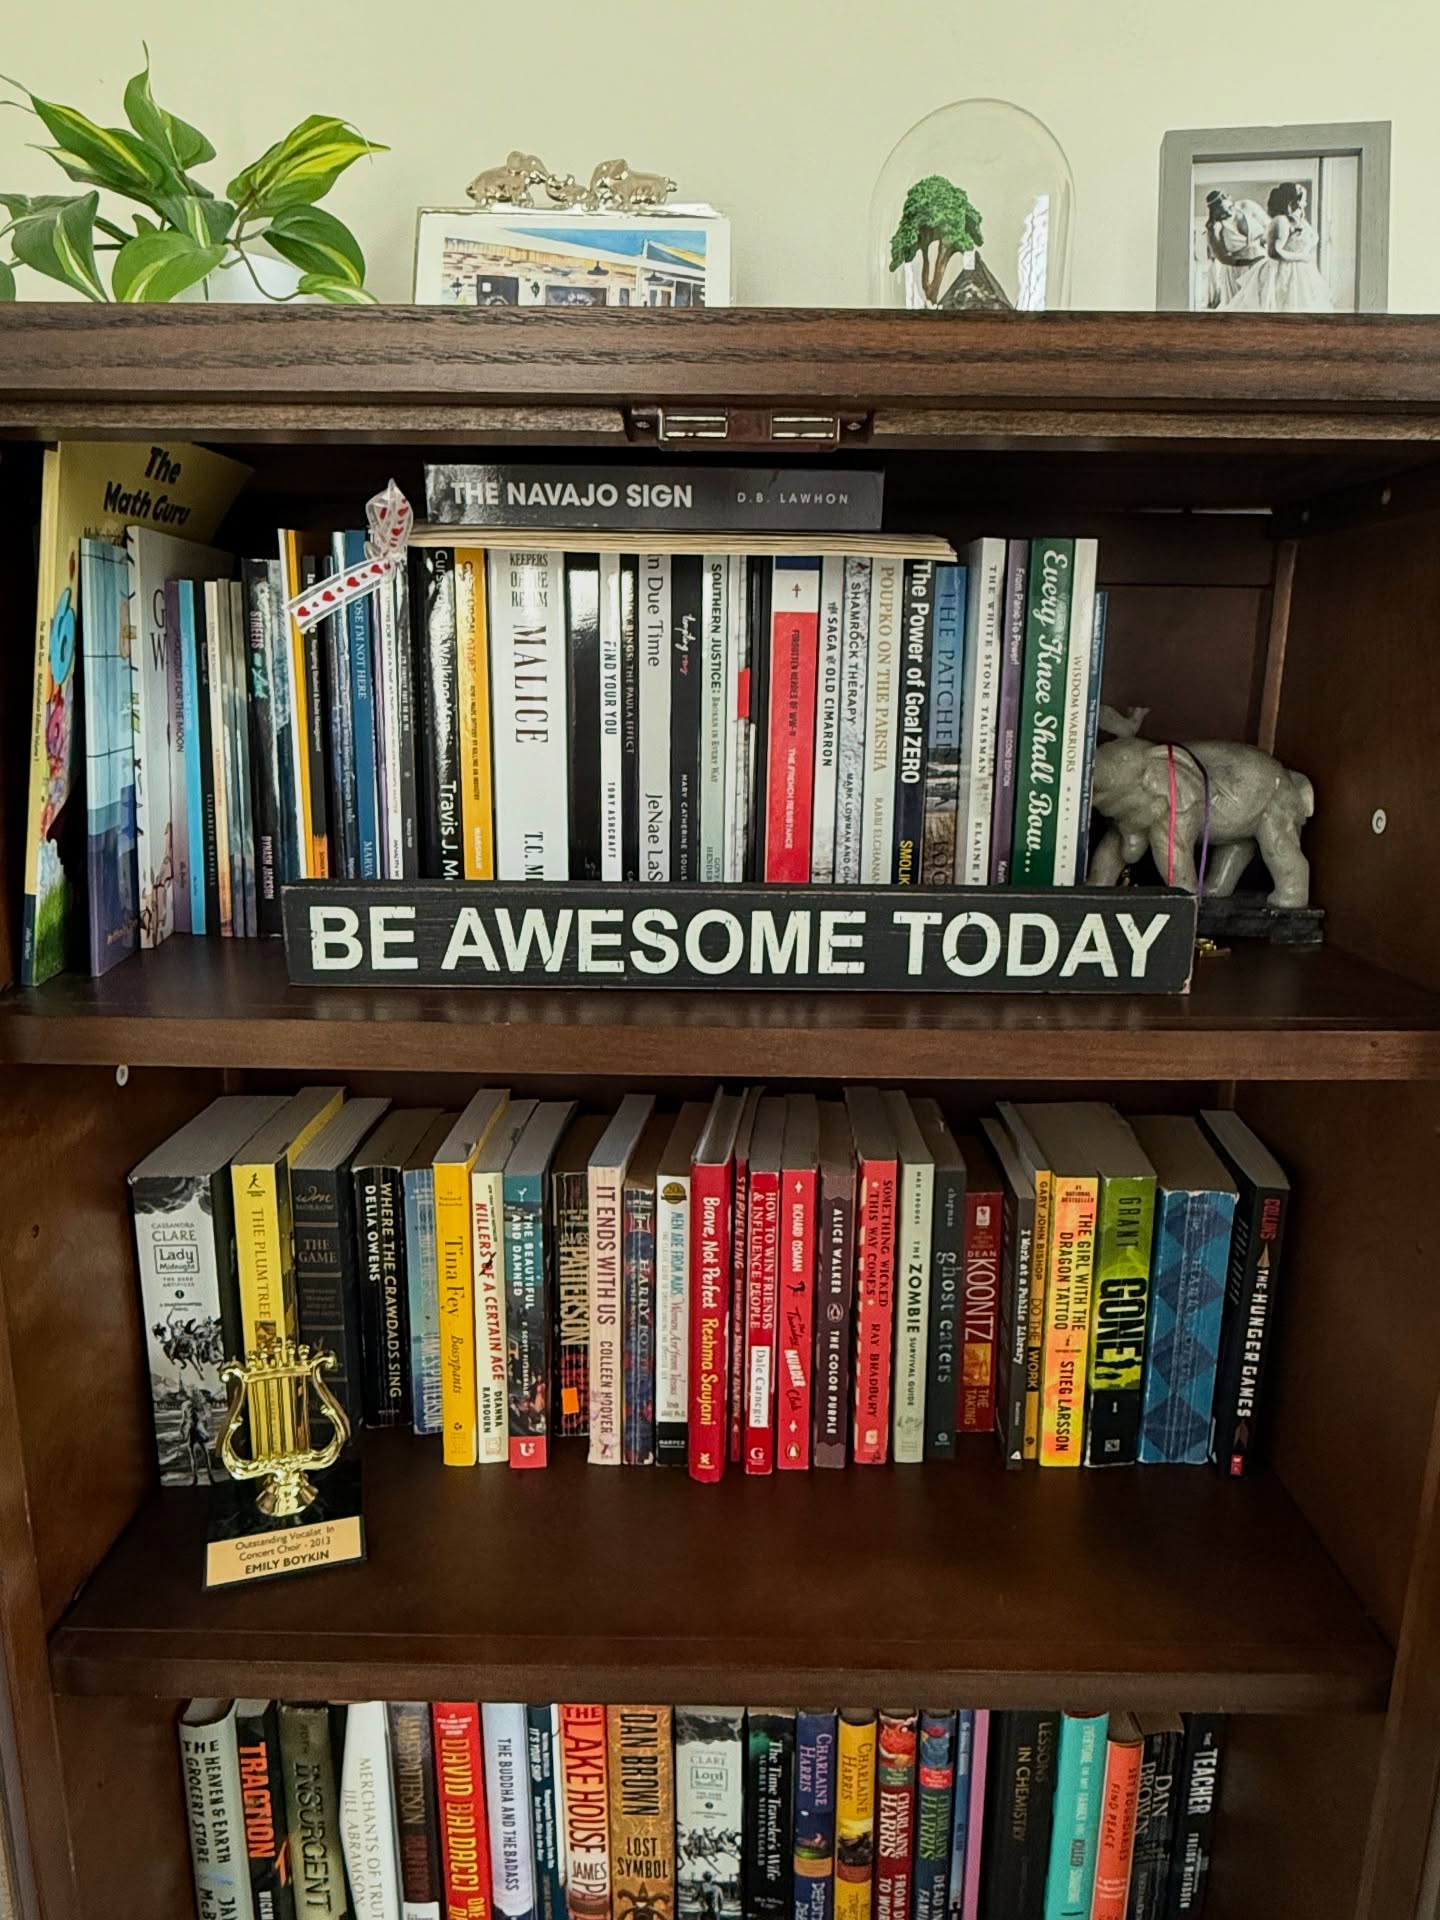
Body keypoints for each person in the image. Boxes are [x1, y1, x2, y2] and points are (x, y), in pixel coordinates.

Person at [1226, 182, 1333, 312]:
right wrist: (1303, 258)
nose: (1305, 203)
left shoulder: (1299, 220)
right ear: (1293, 200)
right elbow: (1274, 252)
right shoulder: (1280, 221)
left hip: (1303, 272)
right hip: (1283, 272)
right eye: (1302, 199)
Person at [1203, 190, 1270, 306]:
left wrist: (1264, 241)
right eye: (1222, 213)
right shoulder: (1214, 228)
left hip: (1262, 262)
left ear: (1229, 199)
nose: (1229, 214)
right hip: (1237, 271)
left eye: (1230, 208)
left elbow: (1270, 226)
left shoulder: (1247, 206)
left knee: (1263, 302)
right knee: (1241, 305)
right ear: (1215, 213)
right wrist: (1250, 261)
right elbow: (1223, 258)